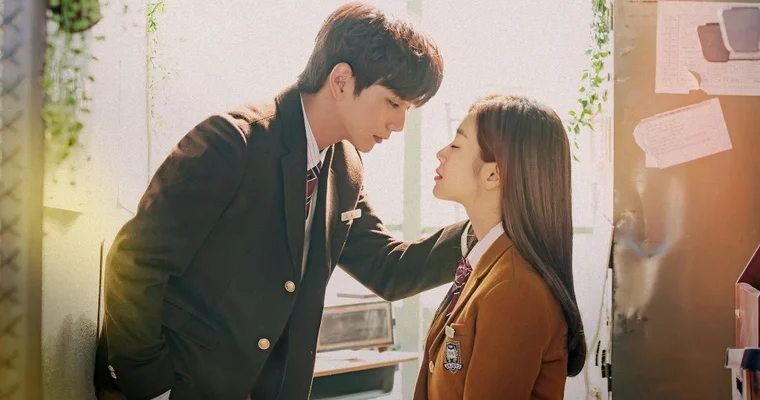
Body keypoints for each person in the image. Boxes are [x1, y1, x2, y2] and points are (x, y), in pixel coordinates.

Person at [93, 3, 469, 399]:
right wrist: (152, 386)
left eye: (407, 108)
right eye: (393, 102)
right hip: (179, 386)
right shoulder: (233, 142)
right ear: (341, 80)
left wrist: (484, 228)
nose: (399, 123)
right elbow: (135, 262)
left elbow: (387, 268)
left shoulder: (346, 168)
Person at [413, 94, 587, 399]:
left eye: (456, 145)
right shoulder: (487, 265)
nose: (441, 154)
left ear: (494, 174)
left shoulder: (514, 288)